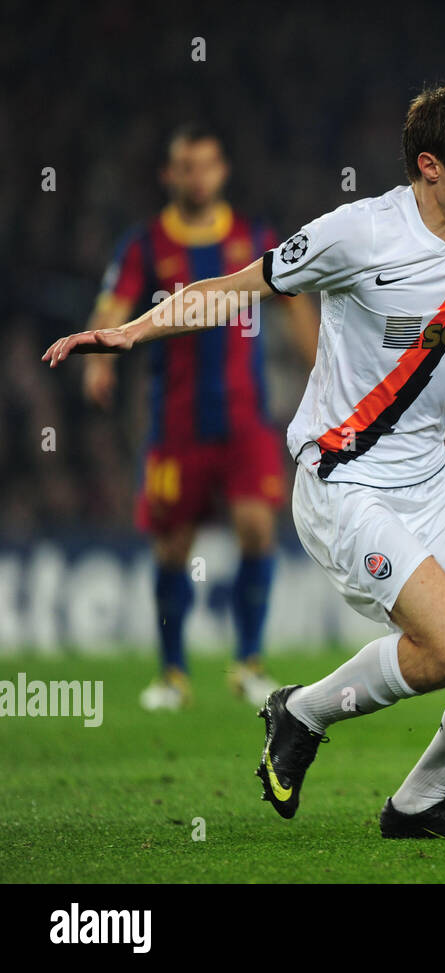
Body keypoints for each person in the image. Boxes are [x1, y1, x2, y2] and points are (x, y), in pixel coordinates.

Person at [47, 82, 445, 839]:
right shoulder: (357, 235)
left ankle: (415, 804)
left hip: (430, 480)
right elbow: (237, 288)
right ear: (430, 166)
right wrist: (130, 333)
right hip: (344, 482)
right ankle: (301, 710)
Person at [85, 123, 319, 710]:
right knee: (171, 547)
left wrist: (321, 367)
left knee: (257, 528)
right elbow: (114, 304)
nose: (197, 176)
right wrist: (100, 361)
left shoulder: (254, 236)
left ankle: (249, 662)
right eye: (186, 166)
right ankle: (172, 674)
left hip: (245, 419)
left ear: (222, 171)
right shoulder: (144, 245)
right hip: (176, 422)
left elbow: (295, 302)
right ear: (170, 175)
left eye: (207, 165)